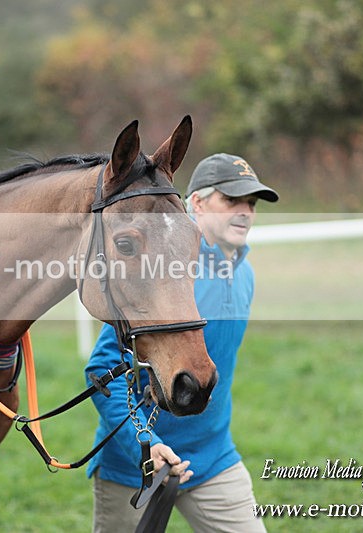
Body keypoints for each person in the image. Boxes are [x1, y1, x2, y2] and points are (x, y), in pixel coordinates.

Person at [85, 153, 279, 532]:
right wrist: (147, 445)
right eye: (231, 200)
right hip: (137, 465)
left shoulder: (245, 273)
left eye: (251, 203)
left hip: (214, 459)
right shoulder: (164, 272)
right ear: (197, 203)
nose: (244, 212)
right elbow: (101, 372)